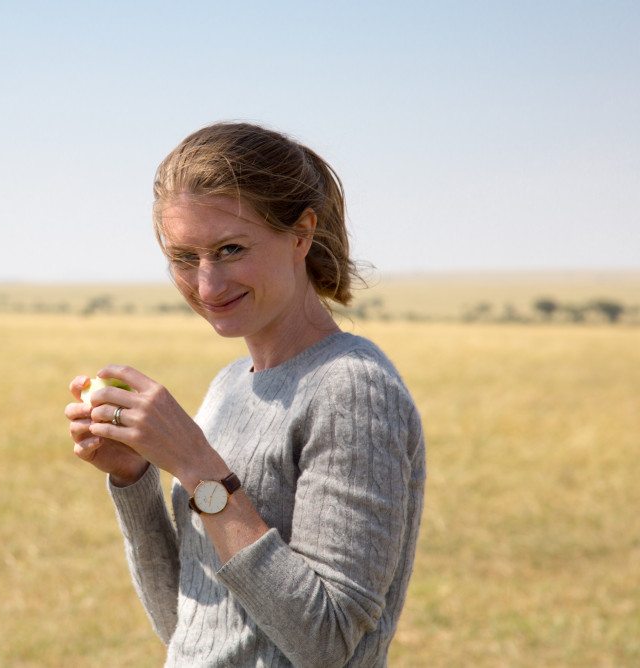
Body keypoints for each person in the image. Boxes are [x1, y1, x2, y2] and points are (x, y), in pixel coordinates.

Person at [64, 122, 425, 667]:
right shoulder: (230, 384)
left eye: (230, 248)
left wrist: (194, 464)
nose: (206, 286)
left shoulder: (352, 388)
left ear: (302, 233)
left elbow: (325, 642)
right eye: (183, 257)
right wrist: (133, 476)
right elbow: (191, 628)